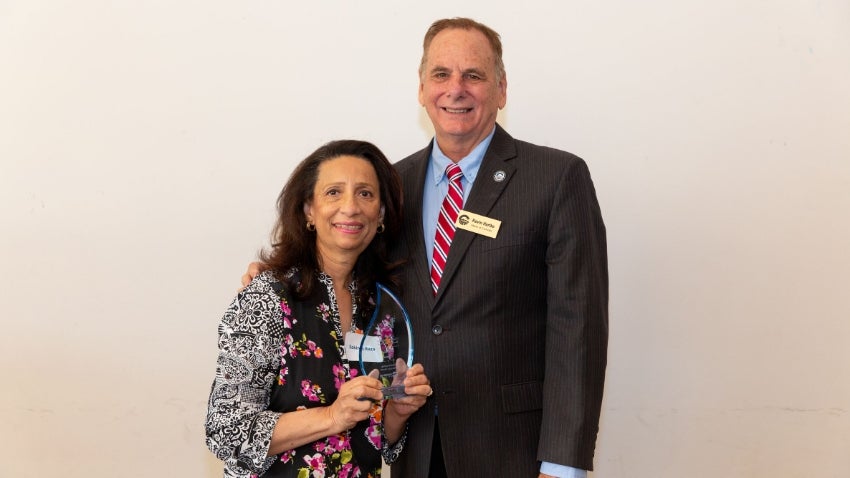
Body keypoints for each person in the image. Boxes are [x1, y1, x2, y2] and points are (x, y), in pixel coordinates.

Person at [244, 18, 608, 477]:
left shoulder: (555, 179)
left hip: (514, 448)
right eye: (441, 74)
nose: (456, 89)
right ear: (421, 89)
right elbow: (351, 271)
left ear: (501, 89)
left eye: (473, 75)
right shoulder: (390, 187)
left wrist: (562, 464)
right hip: (412, 443)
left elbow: (579, 329)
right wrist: (281, 274)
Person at [207, 139, 432, 478]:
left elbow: (378, 440)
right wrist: (332, 416)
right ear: (308, 210)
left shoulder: (382, 308)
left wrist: (398, 412)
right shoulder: (268, 296)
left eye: (365, 194)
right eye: (333, 193)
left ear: (381, 214)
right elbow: (224, 431)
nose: (350, 207)